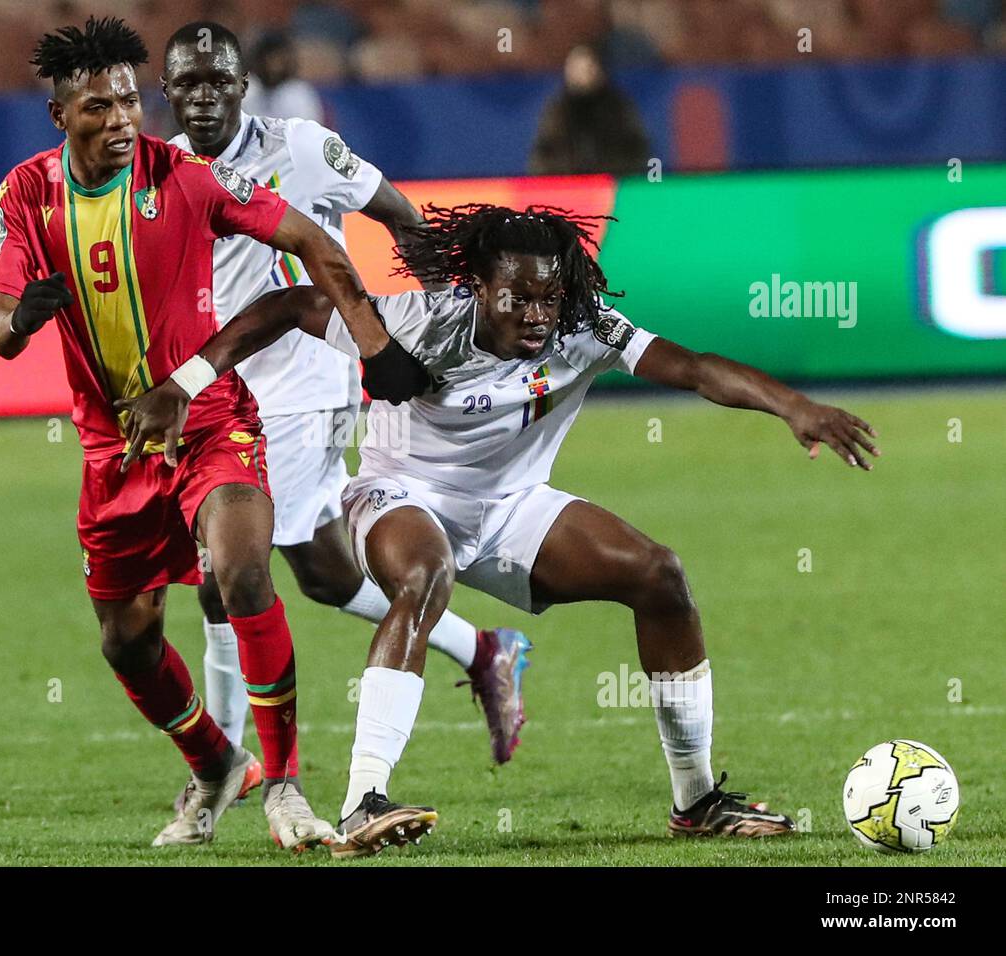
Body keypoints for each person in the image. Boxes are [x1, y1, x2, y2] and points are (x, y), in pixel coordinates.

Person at [120, 202, 881, 858]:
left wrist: (793, 406)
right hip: (398, 495)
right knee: (424, 575)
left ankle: (697, 801)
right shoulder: (420, 319)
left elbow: (692, 367)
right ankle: (364, 800)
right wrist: (189, 383)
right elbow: (286, 307)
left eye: (549, 297)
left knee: (662, 578)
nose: (537, 314)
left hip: (514, 505)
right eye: (517, 297)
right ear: (477, 287)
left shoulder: (584, 325)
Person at [0, 15, 421, 852]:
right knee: (127, 640)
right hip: (114, 451)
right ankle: (218, 763)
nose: (120, 119)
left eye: (127, 101)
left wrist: (373, 340)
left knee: (242, 572)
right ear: (59, 117)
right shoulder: (26, 196)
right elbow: (0, 328)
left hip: (210, 420)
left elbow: (305, 235)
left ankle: (286, 788)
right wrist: (24, 318)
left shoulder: (182, 177)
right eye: (97, 107)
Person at [161, 21, 531, 805]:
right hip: (223, 388)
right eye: (185, 83)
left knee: (223, 577)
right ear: (167, 93)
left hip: (305, 385)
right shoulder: (158, 173)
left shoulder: (299, 148)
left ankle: (221, 771)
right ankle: (484, 648)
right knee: (323, 574)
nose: (201, 97)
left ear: (240, 86)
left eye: (215, 81)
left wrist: (441, 327)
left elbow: (398, 211)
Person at [529, 44, 651, 177]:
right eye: (576, 69)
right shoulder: (557, 112)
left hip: (612, 186)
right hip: (567, 189)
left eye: (588, 68)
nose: (582, 75)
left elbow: (637, 152)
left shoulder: (619, 109)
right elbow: (543, 156)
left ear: (600, 71)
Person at [241, 30, 324, 124]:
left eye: (278, 60)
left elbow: (308, 134)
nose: (272, 67)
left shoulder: (300, 95)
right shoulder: (247, 90)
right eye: (267, 59)